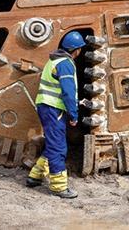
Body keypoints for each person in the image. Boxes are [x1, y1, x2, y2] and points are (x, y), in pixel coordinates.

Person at [26, 31, 86, 199]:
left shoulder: (53, 60)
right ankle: (59, 187)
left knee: (53, 143)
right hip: (54, 109)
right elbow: (68, 92)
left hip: (46, 106)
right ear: (77, 50)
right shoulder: (66, 64)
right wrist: (74, 114)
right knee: (59, 147)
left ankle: (35, 176)